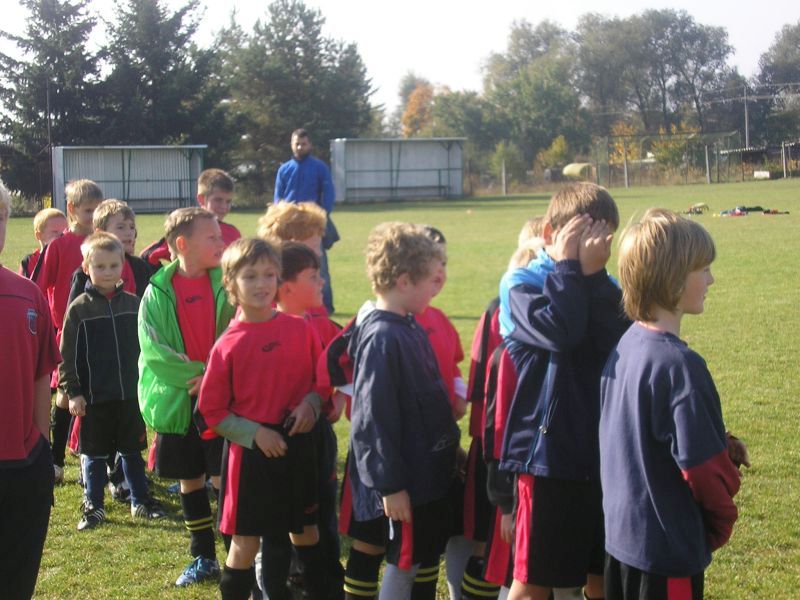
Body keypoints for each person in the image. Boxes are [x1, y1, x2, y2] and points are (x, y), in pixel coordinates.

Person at [599, 208, 746, 600]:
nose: (711, 279)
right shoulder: (680, 366)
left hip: (622, 542)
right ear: (675, 278)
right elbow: (702, 467)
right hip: (665, 555)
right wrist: (722, 519)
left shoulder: (627, 344)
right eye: (704, 269)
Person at [498, 183, 631, 600]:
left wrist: (593, 278)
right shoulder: (521, 284)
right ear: (551, 233)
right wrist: (571, 268)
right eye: (584, 235)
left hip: (603, 453)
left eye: (604, 238)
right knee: (533, 582)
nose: (595, 247)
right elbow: (562, 331)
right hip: (548, 461)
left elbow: (621, 340)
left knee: (603, 576)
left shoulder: (605, 286)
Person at [195, 237, 328, 600]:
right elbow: (212, 411)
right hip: (251, 456)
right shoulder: (228, 344)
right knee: (245, 542)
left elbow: (321, 383)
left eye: (269, 275)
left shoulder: (300, 329)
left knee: (307, 533)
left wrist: (311, 405)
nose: (261, 284)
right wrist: (255, 433)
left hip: (297, 446)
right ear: (230, 283)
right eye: (250, 276)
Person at [345, 222, 460, 600]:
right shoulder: (382, 337)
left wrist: (450, 447)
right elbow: (371, 420)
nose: (435, 286)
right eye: (429, 280)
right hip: (405, 483)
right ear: (405, 281)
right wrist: (390, 486)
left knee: (422, 558)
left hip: (426, 476)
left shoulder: (408, 325)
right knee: (404, 563)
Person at [137, 207, 237, 586]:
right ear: (182, 244)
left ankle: (237, 556)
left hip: (220, 400)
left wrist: (213, 377)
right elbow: (155, 351)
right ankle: (203, 556)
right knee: (190, 479)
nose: (221, 243)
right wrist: (198, 375)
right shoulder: (157, 292)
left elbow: (239, 333)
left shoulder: (228, 285)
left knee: (223, 478)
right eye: (212, 237)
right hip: (179, 402)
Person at [58, 232, 166, 530]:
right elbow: (66, 356)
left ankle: (140, 501)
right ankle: (94, 506)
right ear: (86, 268)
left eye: (113, 265)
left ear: (123, 266)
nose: (107, 272)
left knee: (132, 450)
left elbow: (148, 348)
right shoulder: (79, 309)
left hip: (130, 397)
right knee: (93, 454)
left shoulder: (133, 304)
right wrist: (73, 392)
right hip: (94, 399)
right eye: (100, 266)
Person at [0, 178, 61, 599]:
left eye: (1, 216)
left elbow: (43, 374)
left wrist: (39, 445)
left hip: (23, 470)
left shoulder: (28, 294)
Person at [37, 179, 104, 484]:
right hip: (69, 333)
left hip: (100, 330)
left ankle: (96, 460)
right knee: (65, 395)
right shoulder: (59, 246)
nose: (93, 216)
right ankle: (55, 460)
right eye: (89, 210)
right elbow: (40, 287)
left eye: (97, 210)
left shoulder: (102, 242)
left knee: (97, 394)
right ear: (72, 209)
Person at [274, 128, 338, 315]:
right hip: (289, 227)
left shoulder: (319, 167)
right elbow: (278, 196)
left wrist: (322, 216)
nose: (300, 147)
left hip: (311, 225)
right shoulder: (284, 169)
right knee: (287, 263)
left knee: (319, 266)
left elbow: (328, 193)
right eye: (297, 144)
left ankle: (325, 306)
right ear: (291, 145)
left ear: (310, 145)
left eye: (303, 144)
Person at [141, 168, 241, 272]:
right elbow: (148, 255)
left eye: (228, 201)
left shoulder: (233, 233)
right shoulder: (189, 228)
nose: (224, 206)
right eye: (218, 200)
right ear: (201, 199)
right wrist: (166, 277)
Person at [19, 207, 68, 281]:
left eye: (64, 232)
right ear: (39, 235)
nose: (61, 236)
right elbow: (23, 286)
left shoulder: (69, 258)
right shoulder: (30, 261)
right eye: (55, 232)